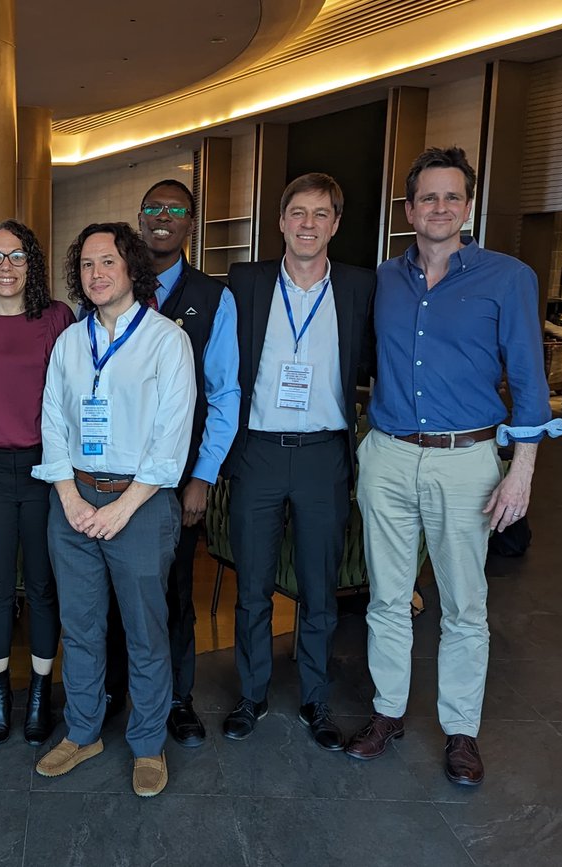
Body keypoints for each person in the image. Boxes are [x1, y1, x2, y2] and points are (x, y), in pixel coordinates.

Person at [346, 146, 556, 786]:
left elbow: (527, 378)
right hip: (386, 454)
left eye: (451, 197)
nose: (439, 207)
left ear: (467, 206)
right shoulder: (383, 278)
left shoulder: (507, 276)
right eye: (426, 197)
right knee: (386, 596)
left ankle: (461, 729)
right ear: (409, 209)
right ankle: (387, 713)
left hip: (467, 460)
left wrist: (521, 470)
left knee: (465, 604)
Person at [32, 222, 194, 798]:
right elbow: (52, 423)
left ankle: (148, 744)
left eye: (108, 262)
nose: (96, 275)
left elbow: (170, 439)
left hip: (141, 504)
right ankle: (82, 731)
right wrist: (71, 498)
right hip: (73, 501)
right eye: (86, 265)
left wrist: (122, 509)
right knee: (80, 628)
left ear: (131, 268)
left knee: (145, 631)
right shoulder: (70, 343)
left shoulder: (166, 340)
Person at [222, 172, 375, 751]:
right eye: (298, 213)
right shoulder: (246, 281)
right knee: (253, 588)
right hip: (258, 451)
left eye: (321, 214)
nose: (308, 224)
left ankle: (315, 700)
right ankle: (252, 695)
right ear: (281, 221)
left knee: (318, 590)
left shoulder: (361, 287)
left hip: (323, 457)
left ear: (335, 224)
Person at [103, 180, 240, 748]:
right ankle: (113, 691)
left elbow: (225, 395)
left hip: (176, 480)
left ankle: (177, 699)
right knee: (112, 589)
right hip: (107, 476)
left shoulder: (213, 298)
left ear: (191, 221)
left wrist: (203, 478)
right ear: (139, 217)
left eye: (175, 209)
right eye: (152, 208)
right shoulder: (109, 289)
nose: (162, 217)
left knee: (171, 591)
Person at [0, 219, 74, 746]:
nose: (7, 267)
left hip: (47, 471)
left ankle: (41, 696)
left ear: (33, 264)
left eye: (18, 256)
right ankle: (0, 695)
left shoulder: (56, 318)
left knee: (45, 588)